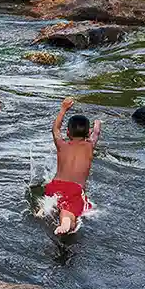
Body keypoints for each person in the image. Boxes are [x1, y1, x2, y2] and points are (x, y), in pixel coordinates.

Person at [45, 97, 101, 235]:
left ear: (68, 133)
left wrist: (63, 109)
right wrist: (97, 124)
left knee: (53, 204)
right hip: (73, 189)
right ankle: (66, 221)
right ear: (88, 133)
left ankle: (47, 211)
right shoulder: (89, 146)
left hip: (54, 185)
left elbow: (55, 129)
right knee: (70, 210)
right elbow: (96, 133)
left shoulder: (62, 145)